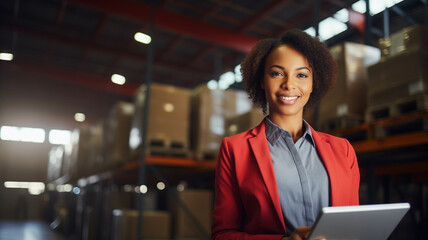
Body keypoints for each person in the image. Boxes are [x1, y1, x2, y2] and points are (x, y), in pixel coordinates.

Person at [211, 29, 360, 240]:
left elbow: (352, 225)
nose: (289, 84)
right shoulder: (235, 150)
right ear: (262, 80)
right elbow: (222, 235)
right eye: (277, 73)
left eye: (301, 75)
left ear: (313, 83)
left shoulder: (343, 150)